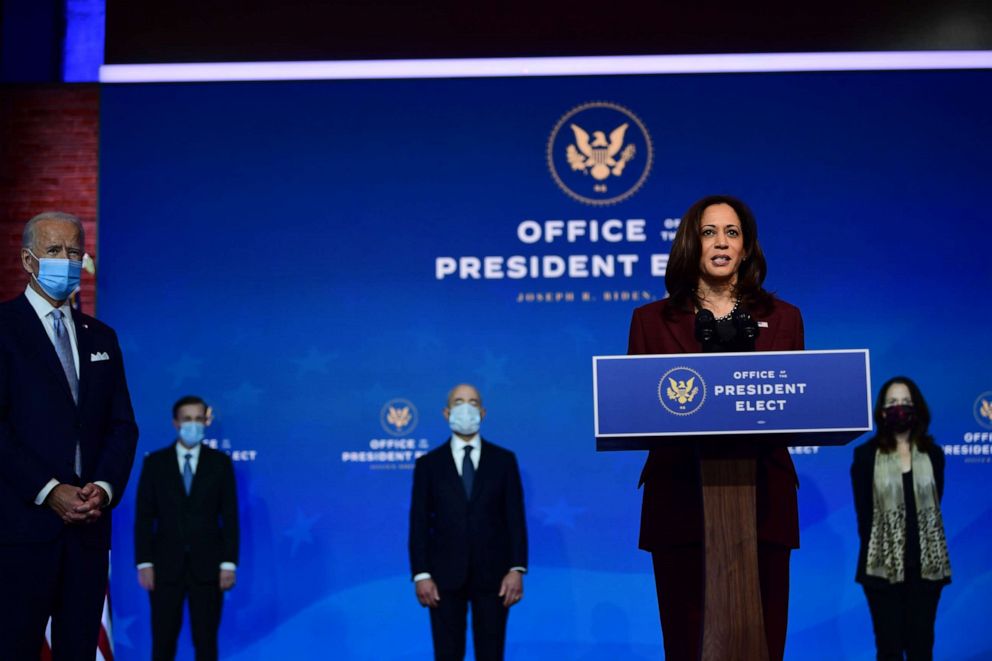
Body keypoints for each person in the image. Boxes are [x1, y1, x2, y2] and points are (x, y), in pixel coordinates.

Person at [626, 195, 803, 661]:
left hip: (763, 500)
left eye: (732, 232)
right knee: (685, 644)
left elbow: (798, 404)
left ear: (746, 248)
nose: (721, 242)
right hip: (679, 501)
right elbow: (636, 409)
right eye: (709, 232)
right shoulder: (650, 321)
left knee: (763, 641)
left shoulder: (785, 319)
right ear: (692, 244)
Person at [0, 211, 139, 659]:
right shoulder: (3, 328)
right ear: (28, 260)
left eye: (75, 252)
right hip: (22, 529)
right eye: (55, 251)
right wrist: (49, 490)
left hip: (88, 532)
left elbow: (122, 425)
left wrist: (102, 486)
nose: (67, 260)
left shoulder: (102, 336)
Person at [408, 383, 528, 661]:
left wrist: (517, 567)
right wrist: (421, 574)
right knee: (447, 655)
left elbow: (515, 518)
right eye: (459, 401)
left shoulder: (504, 460)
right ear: (446, 412)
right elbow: (418, 522)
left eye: (473, 402)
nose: (466, 407)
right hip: (443, 578)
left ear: (483, 412)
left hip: (495, 577)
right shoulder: (428, 464)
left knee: (491, 654)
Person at [852, 377, 951, 660]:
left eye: (905, 403)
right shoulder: (865, 456)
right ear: (882, 411)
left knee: (922, 649)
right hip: (881, 572)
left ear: (916, 408)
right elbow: (864, 517)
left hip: (927, 570)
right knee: (889, 650)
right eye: (892, 403)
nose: (899, 409)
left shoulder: (933, 455)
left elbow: (935, 505)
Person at [134, 395, 239, 661]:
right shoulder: (155, 463)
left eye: (198, 419)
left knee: (205, 642)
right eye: (187, 419)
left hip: (208, 569)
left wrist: (228, 563)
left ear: (206, 421)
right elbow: (144, 517)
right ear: (175, 423)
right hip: (165, 568)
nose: (193, 425)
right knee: (163, 641)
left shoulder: (220, 464)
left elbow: (229, 516)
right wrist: (144, 562)